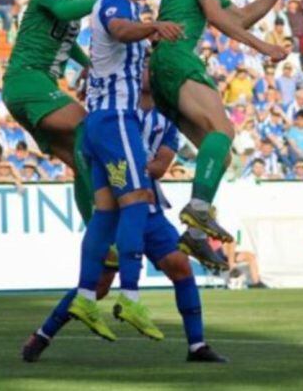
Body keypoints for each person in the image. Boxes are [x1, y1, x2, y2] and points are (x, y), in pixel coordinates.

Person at [25, 104, 227, 362]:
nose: (144, 69)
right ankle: (42, 335)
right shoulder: (116, 109)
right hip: (117, 210)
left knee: (180, 266)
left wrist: (130, 168)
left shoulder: (167, 119)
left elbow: (161, 165)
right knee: (98, 286)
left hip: (151, 212)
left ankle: (197, 345)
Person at [148, 0, 291, 271]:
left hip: (166, 64)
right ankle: (197, 212)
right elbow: (215, 17)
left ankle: (195, 235)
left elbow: (239, 17)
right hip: (176, 56)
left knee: (222, 154)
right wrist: (262, 47)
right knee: (223, 132)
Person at [66, 0, 183, 340]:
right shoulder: (118, 6)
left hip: (98, 125)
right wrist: (153, 26)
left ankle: (85, 295)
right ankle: (130, 295)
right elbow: (120, 30)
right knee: (136, 199)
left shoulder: (113, 6)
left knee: (104, 212)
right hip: (116, 120)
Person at [1, 0, 96, 225]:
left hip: (36, 85)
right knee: (86, 126)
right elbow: (63, 12)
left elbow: (67, 41)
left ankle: (95, 233)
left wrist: (91, 65)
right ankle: (101, 227)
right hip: (28, 80)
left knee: (84, 161)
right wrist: (106, 0)